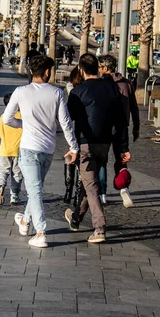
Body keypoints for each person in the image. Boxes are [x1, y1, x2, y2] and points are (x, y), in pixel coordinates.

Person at [3, 56, 79, 248]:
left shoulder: (20, 92)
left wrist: (23, 124)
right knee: (36, 189)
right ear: (46, 72)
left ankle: (40, 232)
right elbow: (65, 122)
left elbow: (7, 119)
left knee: (35, 190)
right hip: (48, 148)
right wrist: (73, 147)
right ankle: (25, 222)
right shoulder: (57, 92)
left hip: (28, 147)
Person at [66, 53, 130, 244]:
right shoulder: (112, 89)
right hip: (105, 143)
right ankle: (76, 217)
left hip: (86, 143)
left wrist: (72, 147)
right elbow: (121, 121)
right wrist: (122, 148)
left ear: (82, 70)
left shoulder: (78, 91)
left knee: (91, 185)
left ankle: (99, 228)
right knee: (90, 183)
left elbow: (68, 120)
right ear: (98, 68)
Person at [98, 54, 140, 207]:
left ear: (105, 68)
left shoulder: (101, 84)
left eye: (99, 67)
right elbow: (134, 107)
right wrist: (136, 126)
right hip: (122, 127)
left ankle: (102, 194)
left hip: (104, 127)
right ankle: (123, 188)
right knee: (121, 160)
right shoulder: (126, 83)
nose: (98, 69)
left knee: (101, 160)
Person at [0, 93, 23, 206]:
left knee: (2, 170)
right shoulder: (22, 116)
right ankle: (14, 195)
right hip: (18, 150)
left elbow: (1, 134)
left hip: (5, 149)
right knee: (17, 173)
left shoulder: (3, 117)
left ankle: (1, 185)